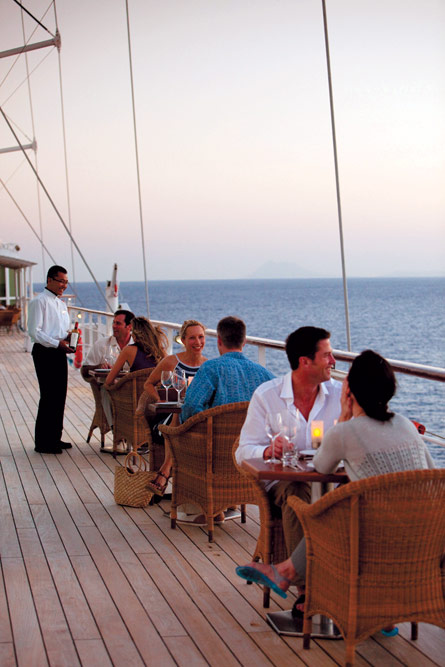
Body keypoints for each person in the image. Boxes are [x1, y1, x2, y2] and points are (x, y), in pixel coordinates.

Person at [236, 350, 435, 634]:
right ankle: (382, 608)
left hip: (374, 547)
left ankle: (293, 578)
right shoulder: (406, 425)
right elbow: (430, 476)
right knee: (348, 505)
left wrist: (343, 416)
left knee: (324, 516)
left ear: (350, 391)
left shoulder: (346, 432)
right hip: (426, 541)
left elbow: (320, 467)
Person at [149, 316, 275, 526]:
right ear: (244, 342)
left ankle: (205, 507)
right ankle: (228, 502)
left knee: (182, 433)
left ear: (219, 341)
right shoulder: (265, 374)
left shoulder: (211, 369)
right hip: (249, 454)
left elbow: (191, 407)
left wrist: (199, 425)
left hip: (211, 454)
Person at [235, 326, 342, 557]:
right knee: (297, 491)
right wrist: (268, 451)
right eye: (327, 355)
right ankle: (304, 576)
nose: (333, 361)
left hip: (330, 480)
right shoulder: (267, 396)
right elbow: (242, 452)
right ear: (305, 362)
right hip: (283, 483)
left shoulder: (340, 394)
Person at [143, 319, 208, 487]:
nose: (198, 342)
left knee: (186, 415)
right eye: (192, 338)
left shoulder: (208, 366)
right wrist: (159, 399)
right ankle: (166, 470)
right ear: (183, 340)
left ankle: (165, 471)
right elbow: (148, 384)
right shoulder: (171, 362)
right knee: (177, 415)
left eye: (201, 337)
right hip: (168, 420)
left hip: (195, 420)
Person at [28, 265, 74, 454]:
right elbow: (35, 332)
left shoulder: (61, 304)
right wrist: (57, 343)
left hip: (58, 352)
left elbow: (59, 331)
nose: (64, 285)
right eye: (61, 281)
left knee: (59, 395)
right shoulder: (39, 302)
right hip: (45, 352)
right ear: (49, 280)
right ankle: (43, 442)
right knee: (48, 396)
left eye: (66, 282)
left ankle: (55, 437)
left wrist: (68, 337)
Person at [101, 317, 168, 440]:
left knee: (104, 389)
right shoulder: (161, 351)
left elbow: (109, 381)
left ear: (135, 334)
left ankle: (114, 428)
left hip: (133, 403)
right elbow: (167, 377)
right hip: (155, 401)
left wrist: (120, 382)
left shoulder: (129, 350)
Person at [80, 309, 135, 380]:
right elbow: (84, 371)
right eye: (113, 322)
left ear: (129, 326)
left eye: (118, 323)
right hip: (106, 385)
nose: (114, 326)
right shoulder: (101, 344)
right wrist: (99, 367)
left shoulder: (137, 346)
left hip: (132, 385)